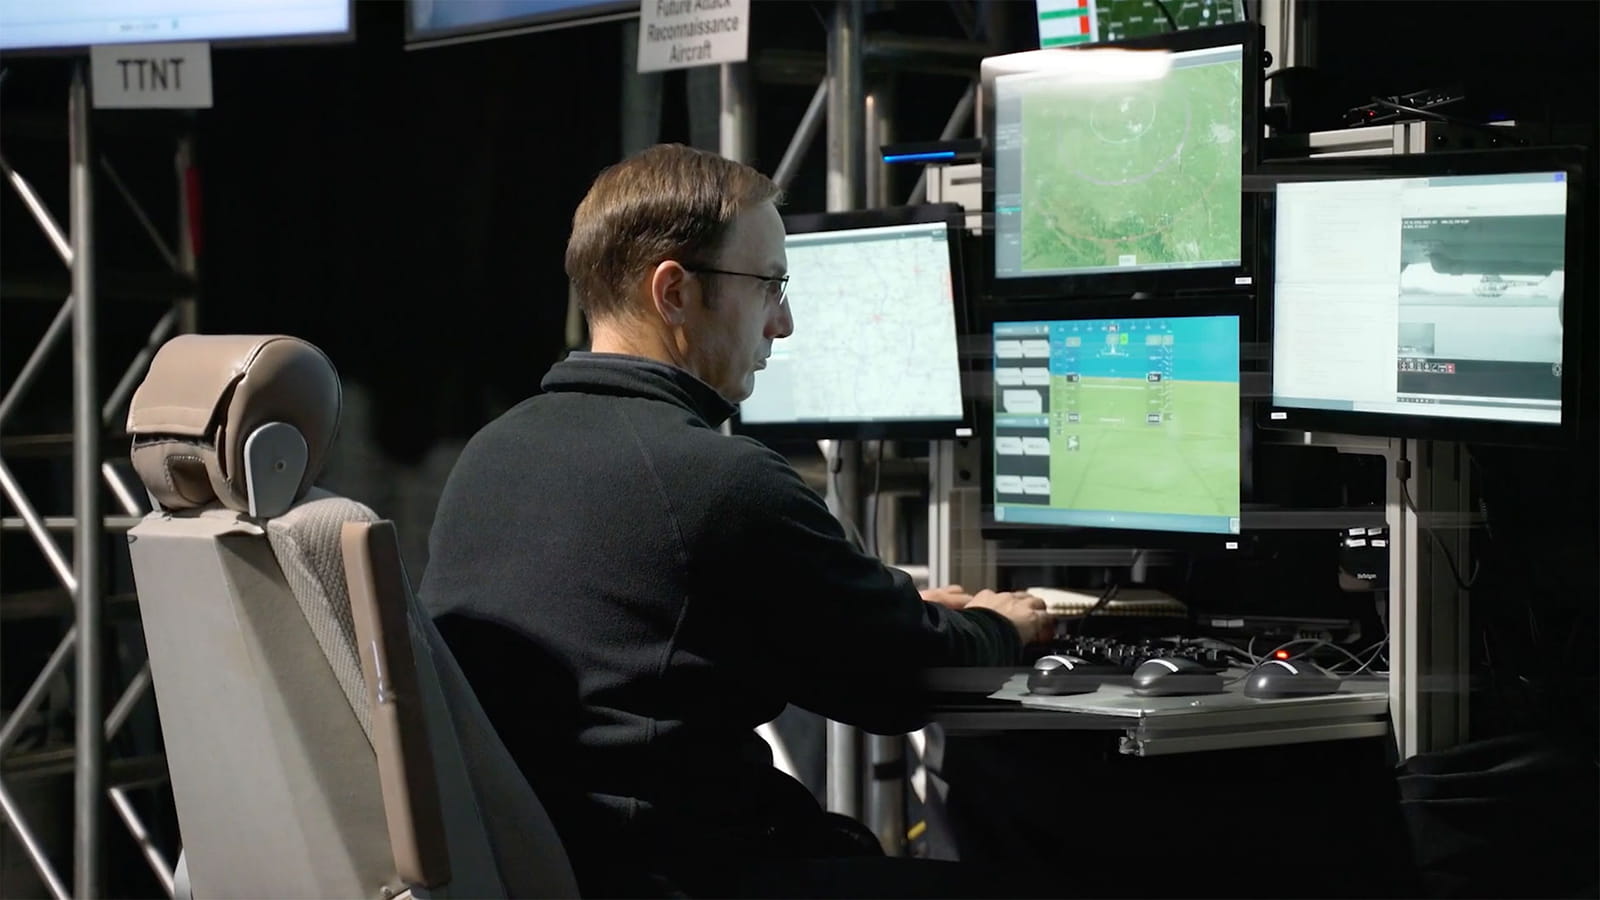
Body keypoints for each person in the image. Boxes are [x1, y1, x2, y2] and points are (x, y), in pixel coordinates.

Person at [421, 143, 1054, 897]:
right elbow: (904, 682)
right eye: (770, 285)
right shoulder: (716, 480)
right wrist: (1003, 625)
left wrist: (898, 609)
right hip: (683, 870)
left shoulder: (492, 454)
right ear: (675, 292)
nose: (782, 324)